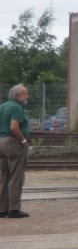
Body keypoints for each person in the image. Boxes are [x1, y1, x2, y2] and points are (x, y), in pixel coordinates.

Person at [0, 84, 32, 217]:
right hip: (13, 143)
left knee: (4, 176)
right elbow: (14, 127)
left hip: (1, 141)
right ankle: (14, 209)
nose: (27, 96)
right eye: (25, 94)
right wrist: (24, 141)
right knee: (16, 177)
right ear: (18, 95)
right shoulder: (17, 107)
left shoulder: (3, 106)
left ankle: (2, 209)